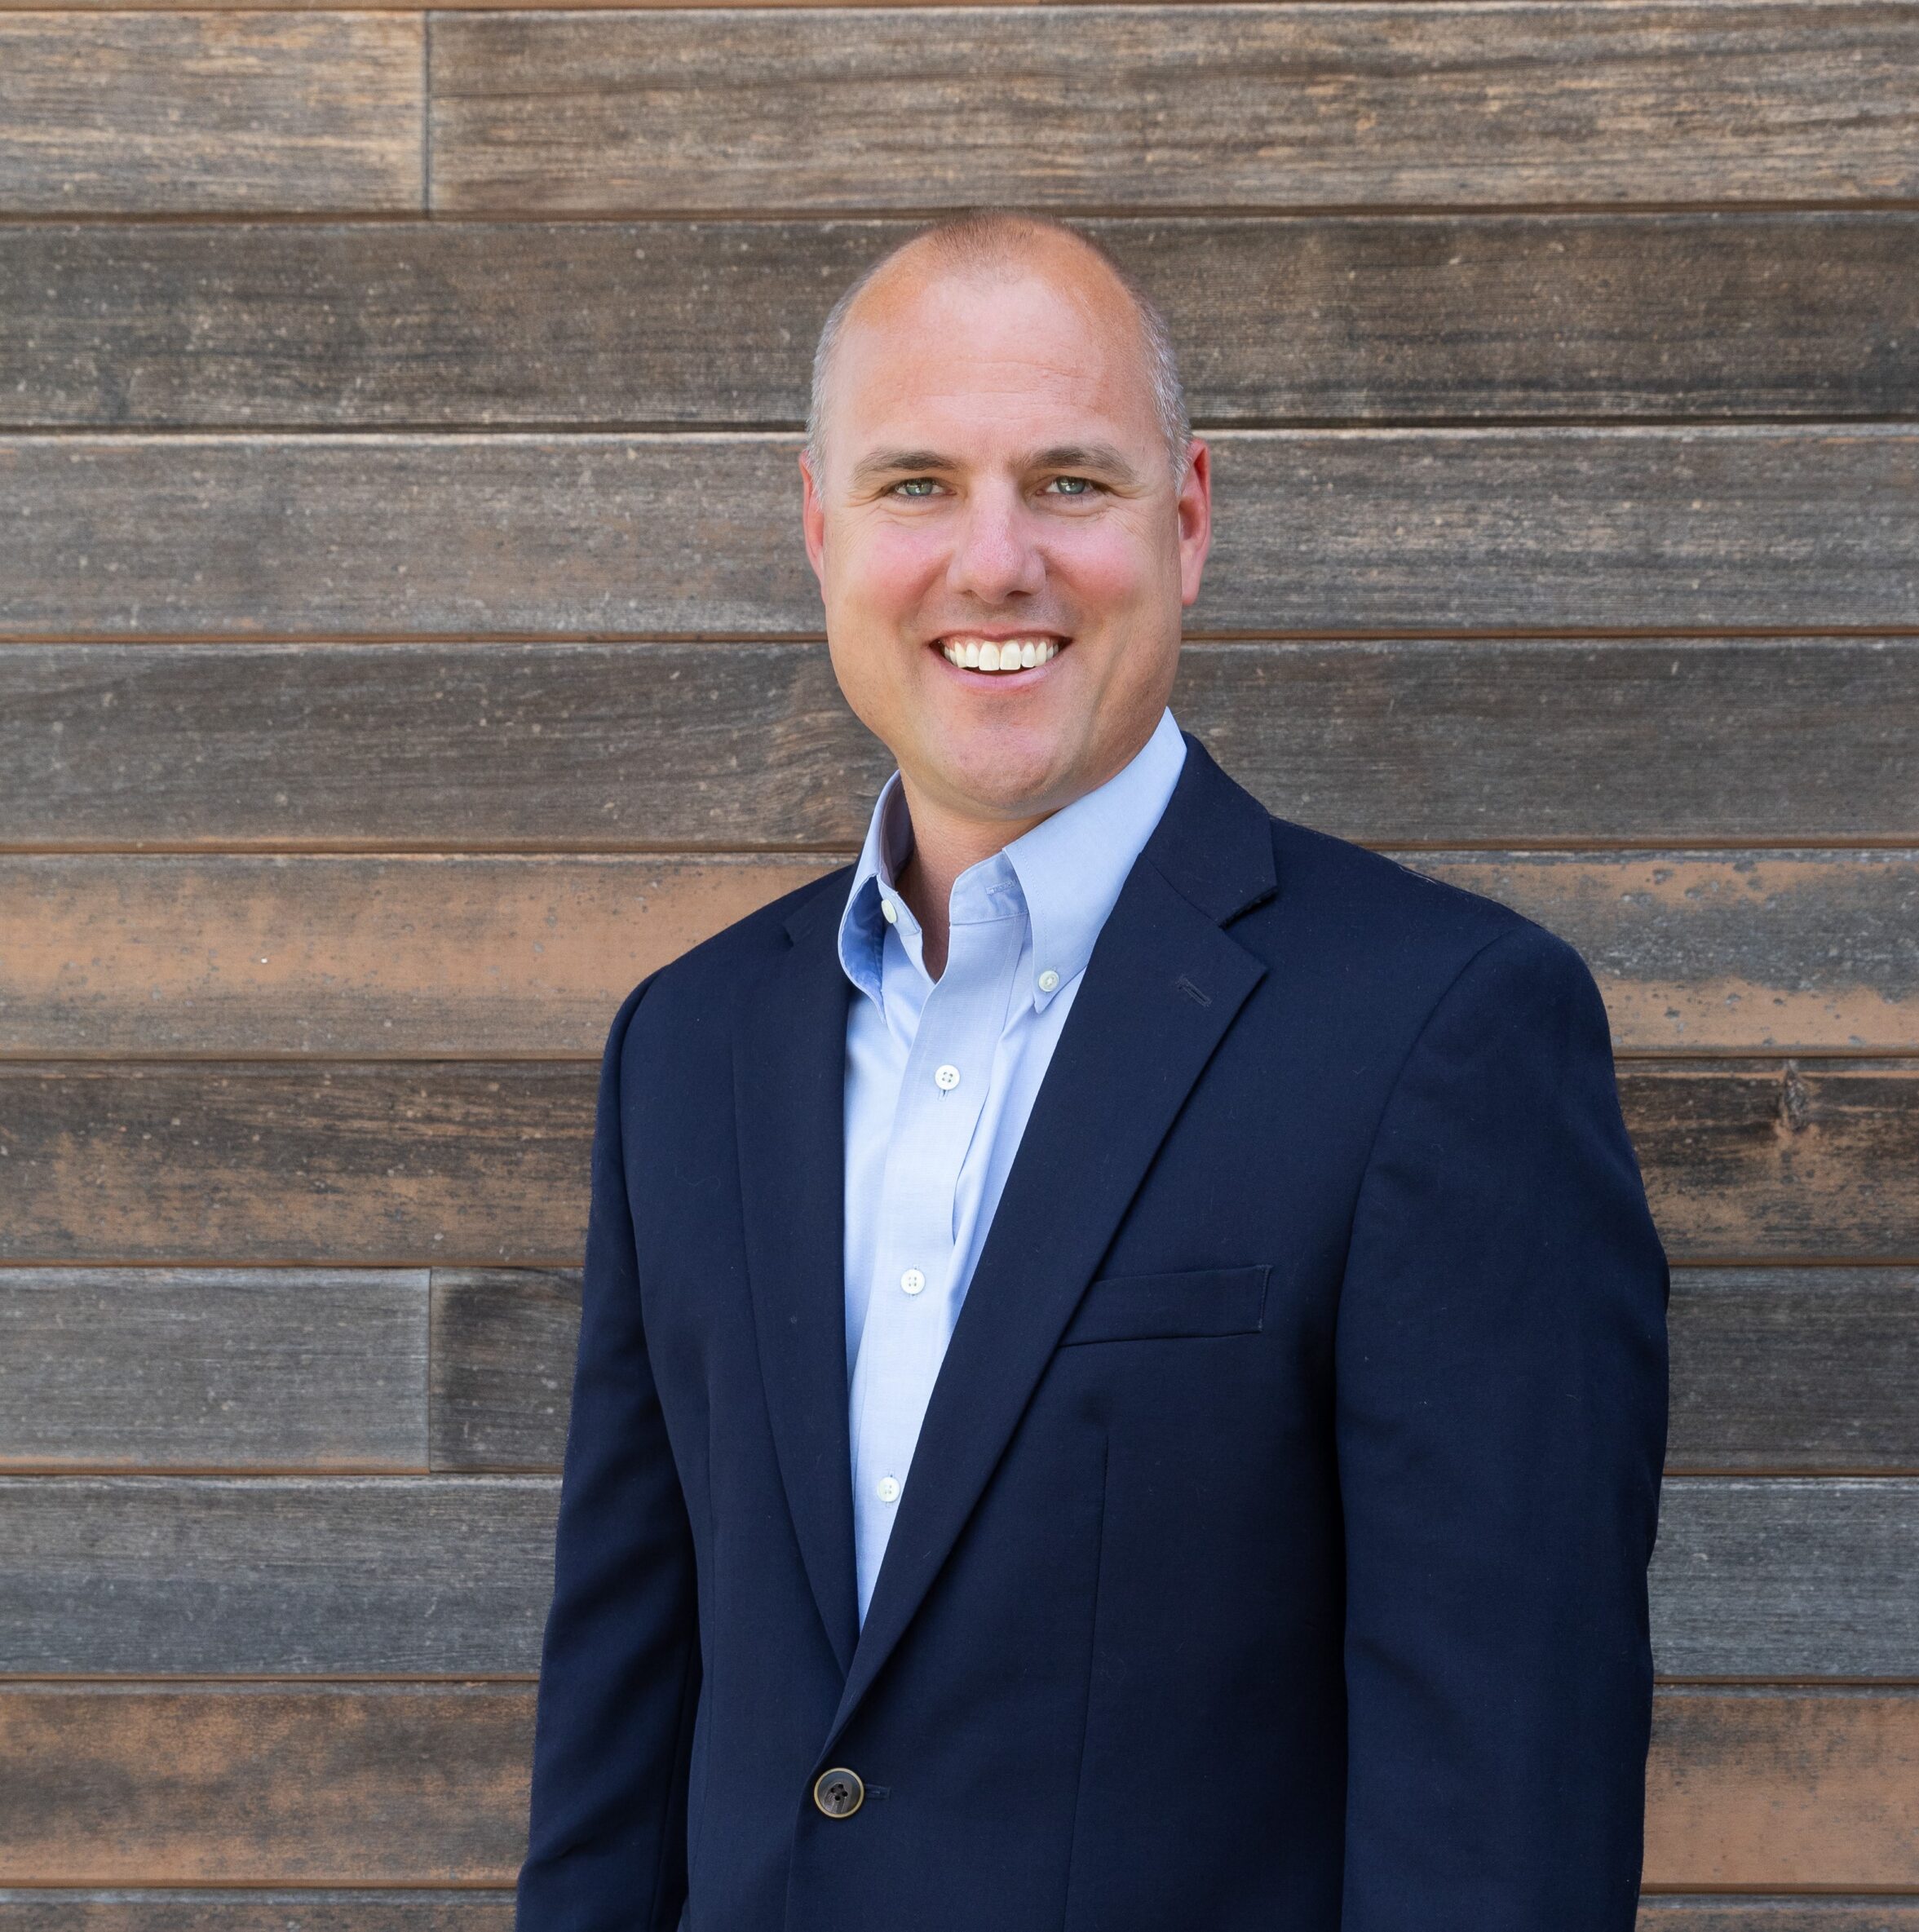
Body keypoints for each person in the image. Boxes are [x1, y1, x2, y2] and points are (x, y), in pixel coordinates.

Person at [515, 208, 1670, 1932]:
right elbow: (620, 1729)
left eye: (1068, 483)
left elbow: (1498, 1802)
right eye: (915, 485)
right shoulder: (687, 1047)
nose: (993, 563)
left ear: (1186, 517)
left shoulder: (1443, 1031)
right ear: (817, 524)